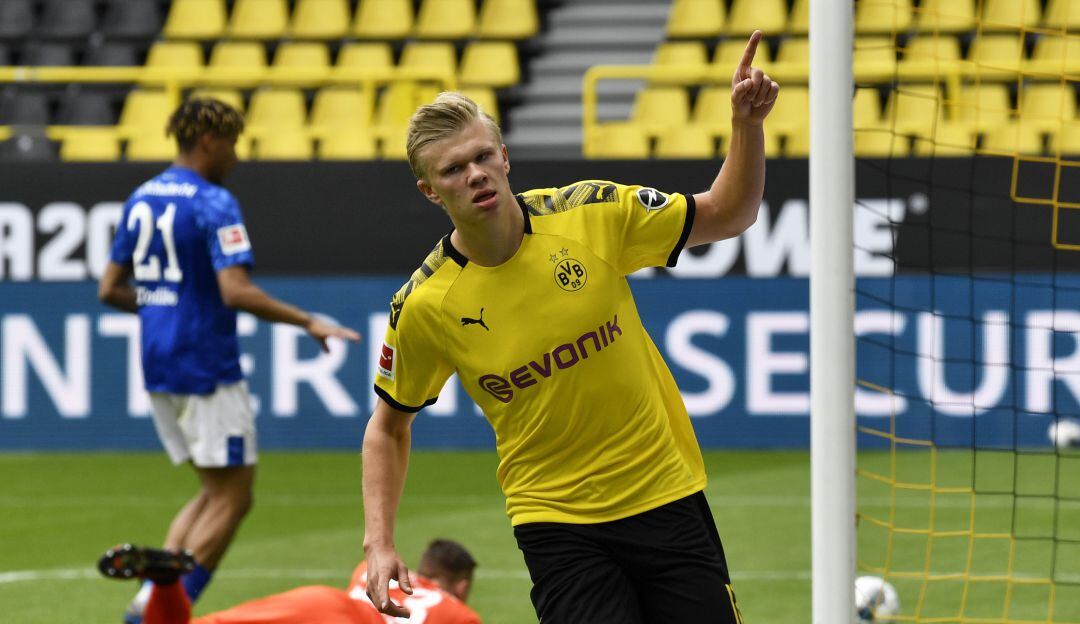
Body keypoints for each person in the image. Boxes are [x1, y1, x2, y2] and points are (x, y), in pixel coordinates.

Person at [361, 30, 778, 623]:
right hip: (555, 520)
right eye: (454, 169)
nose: (476, 174)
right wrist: (378, 543)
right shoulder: (426, 304)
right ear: (430, 191)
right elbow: (387, 429)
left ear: (505, 157)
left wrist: (746, 124)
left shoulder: (591, 214)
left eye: (483, 156)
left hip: (664, 491)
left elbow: (728, 213)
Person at [98, 98, 361, 623]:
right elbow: (235, 291)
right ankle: (164, 611)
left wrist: (161, 306)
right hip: (204, 360)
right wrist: (306, 320)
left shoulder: (142, 197)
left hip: (157, 360)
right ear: (208, 140)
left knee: (214, 489)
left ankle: (150, 601)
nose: (236, 157)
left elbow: (110, 289)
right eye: (233, 143)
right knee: (236, 497)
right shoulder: (214, 202)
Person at [97, 540, 481, 624]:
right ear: (461, 587)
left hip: (319, 602)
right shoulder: (461, 615)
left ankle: (166, 582)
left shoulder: (373, 574)